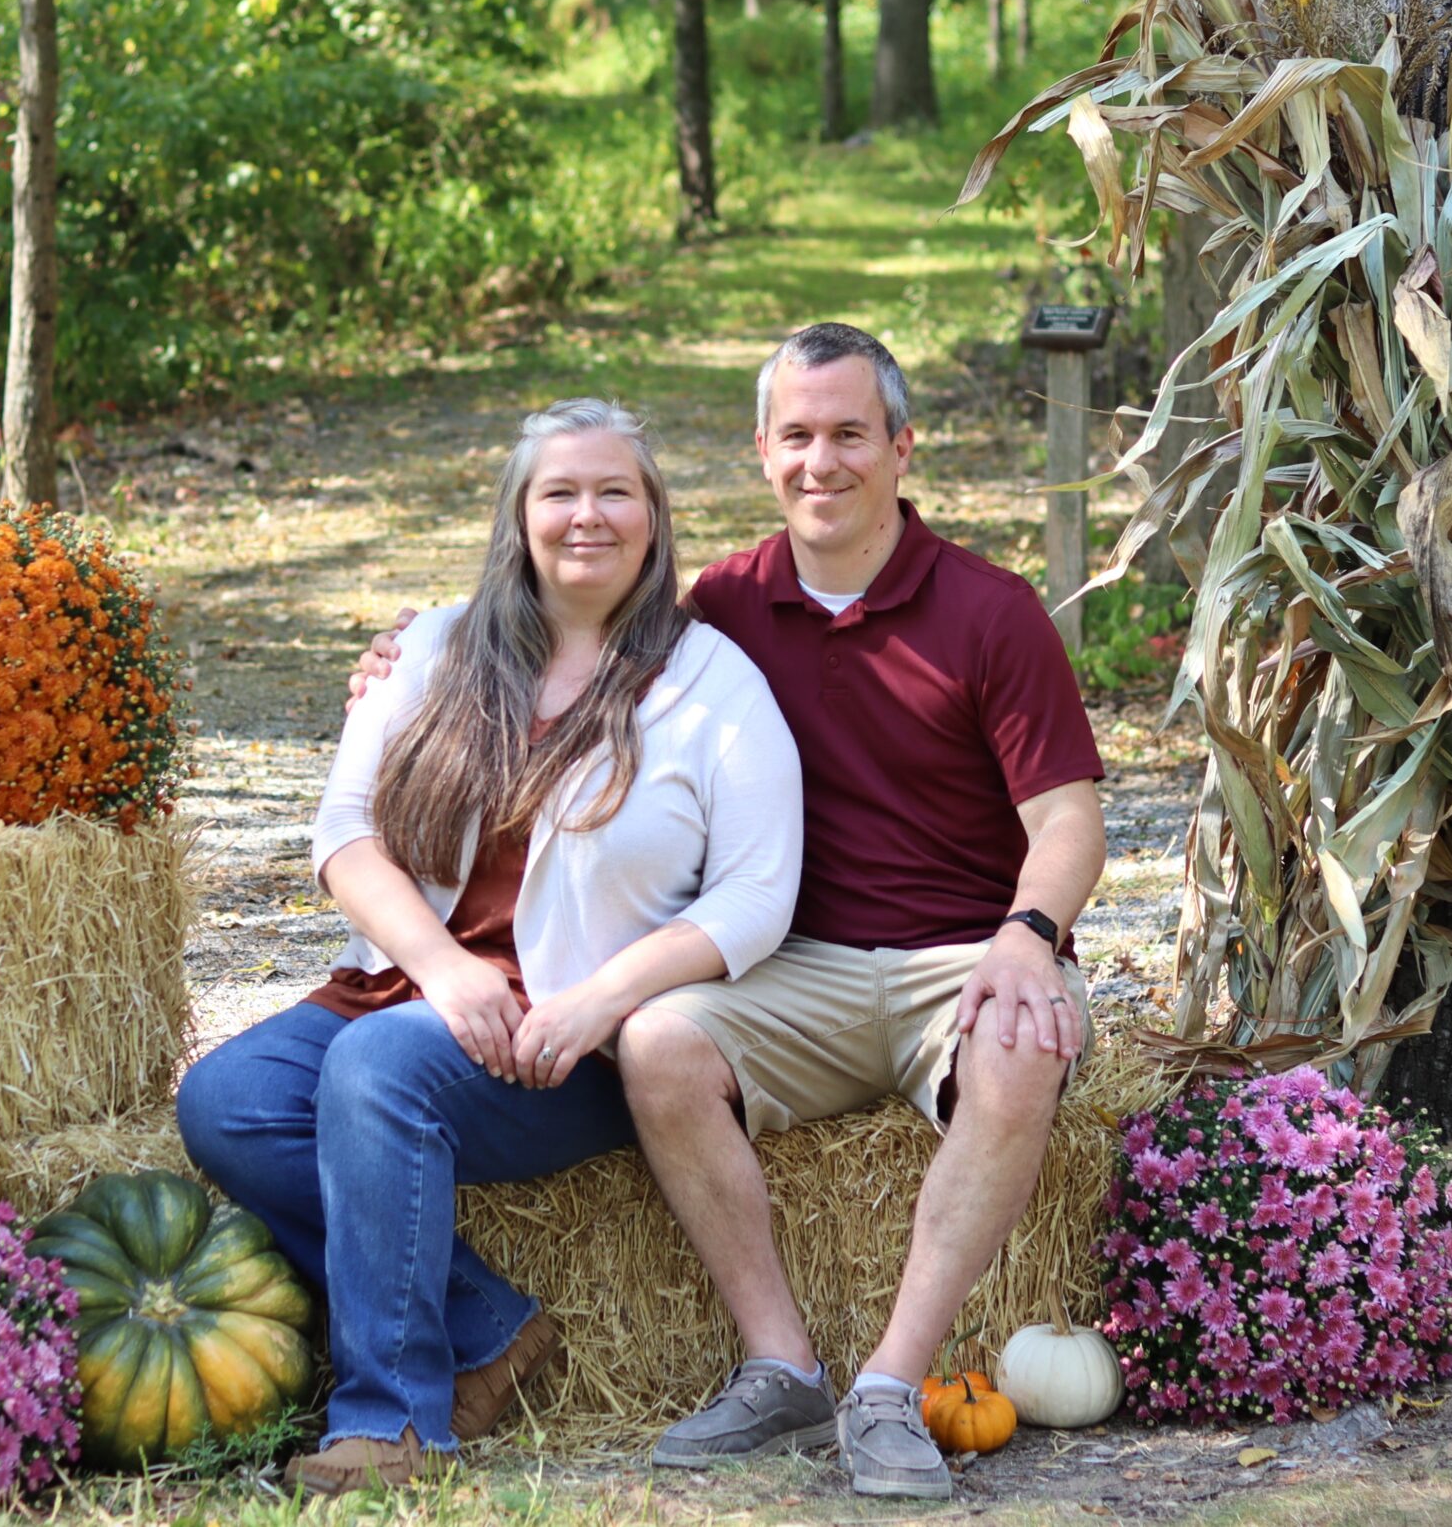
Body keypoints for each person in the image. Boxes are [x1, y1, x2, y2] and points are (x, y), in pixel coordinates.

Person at [353, 323, 1108, 1498]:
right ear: (762, 451)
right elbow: (561, 626)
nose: (822, 461)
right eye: (796, 436)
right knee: (656, 1037)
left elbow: (1068, 820)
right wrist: (406, 656)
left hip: (958, 958)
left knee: (1021, 1042)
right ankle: (782, 1368)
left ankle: (888, 1391)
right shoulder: (726, 610)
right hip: (787, 967)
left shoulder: (991, 611)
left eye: (850, 433)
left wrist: (1029, 938)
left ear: (902, 446)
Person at [180, 398, 803, 1496]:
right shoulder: (431, 647)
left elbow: (759, 896)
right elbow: (345, 834)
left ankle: (393, 1425)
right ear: (517, 517)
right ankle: (489, 1326)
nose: (586, 516)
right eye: (558, 492)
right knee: (226, 1101)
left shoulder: (712, 685)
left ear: (655, 519)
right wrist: (442, 967)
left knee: (379, 1071)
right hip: (418, 992)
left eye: (615, 491)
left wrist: (603, 1000)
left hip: (579, 1042)